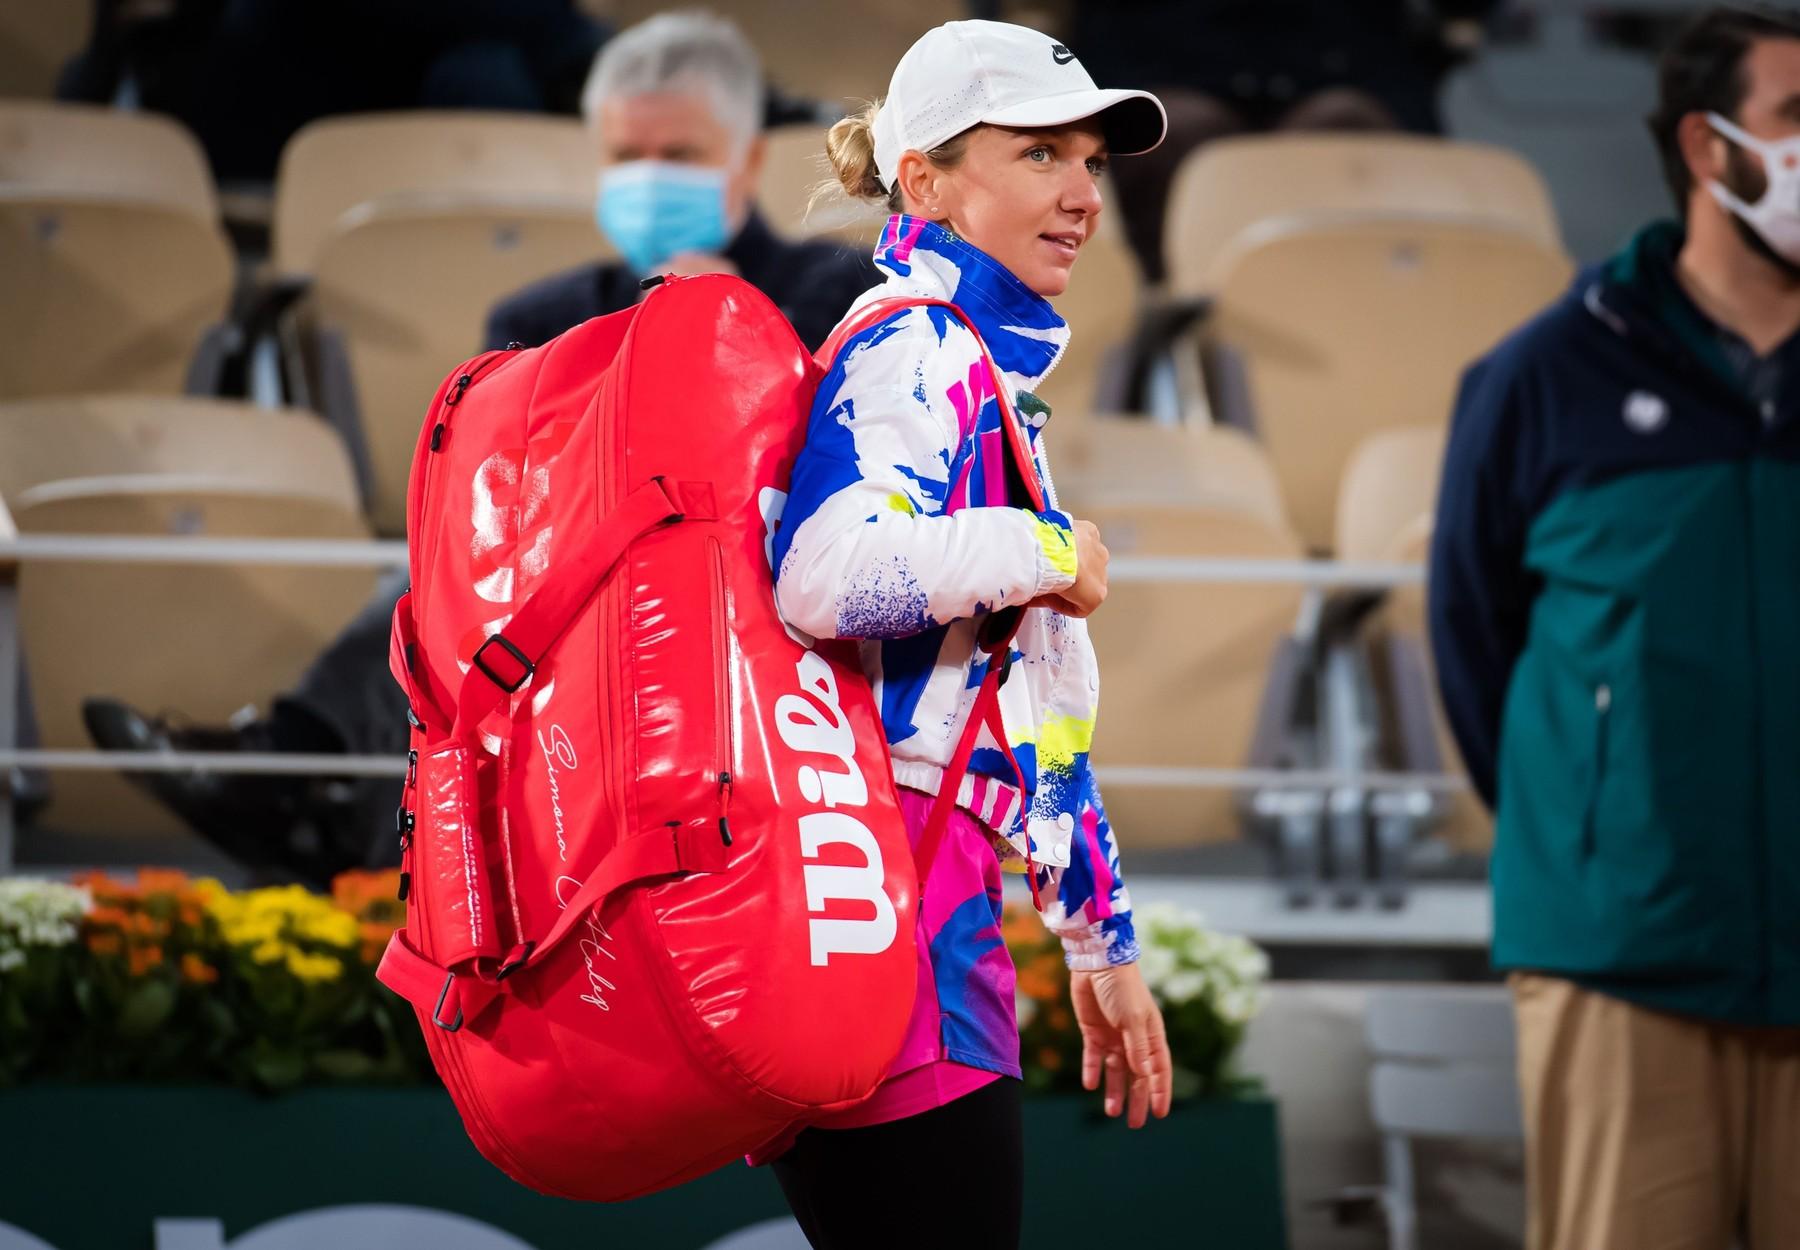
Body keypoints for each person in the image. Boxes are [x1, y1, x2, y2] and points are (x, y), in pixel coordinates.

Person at [80, 10, 881, 886]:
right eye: (625, 156)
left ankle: (307, 776)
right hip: (573, 594)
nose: (650, 179)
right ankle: (318, 781)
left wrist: (708, 318)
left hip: (756, 594)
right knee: (457, 553)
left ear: (748, 161)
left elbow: (802, 462)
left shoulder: (831, 291)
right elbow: (509, 483)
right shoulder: (536, 319)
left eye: (680, 156)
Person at [765, 21, 1172, 1247]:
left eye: (1090, 161)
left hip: (918, 904)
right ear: (927, 182)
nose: (1082, 193)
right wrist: (1049, 550)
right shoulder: (917, 344)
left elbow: (1022, 697)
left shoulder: (973, 363)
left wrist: (1097, 934)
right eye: (1041, 153)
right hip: (883, 899)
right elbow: (825, 577)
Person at [1429, 8, 1800, 1248]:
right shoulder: (1543, 376)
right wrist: (1595, 829)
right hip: (1619, 959)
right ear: (1712, 147)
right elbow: (1476, 647)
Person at [1070, 0, 1500, 283]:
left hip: (1343, 54)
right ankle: (1156, 325)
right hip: (1164, 53)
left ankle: (1361, 321)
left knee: (1343, 128)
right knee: (1166, 130)